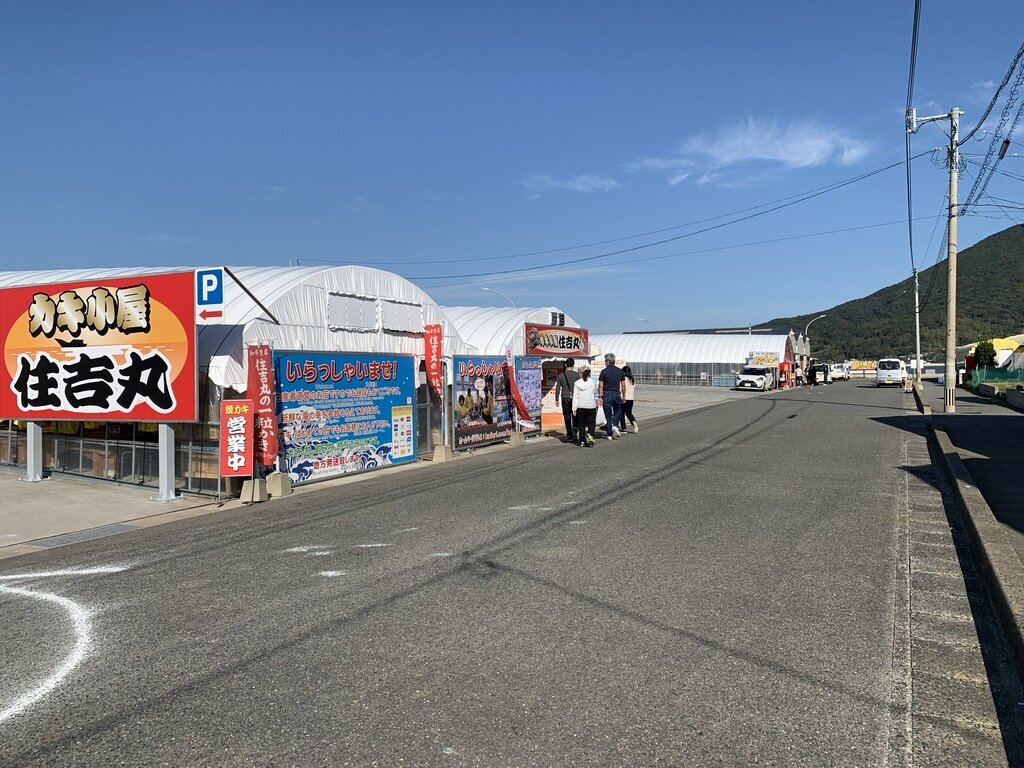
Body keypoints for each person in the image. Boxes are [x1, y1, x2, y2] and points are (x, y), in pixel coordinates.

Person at [598, 353, 624, 440]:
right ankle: (615, 425)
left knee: (607, 415)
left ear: (608, 361)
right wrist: (624, 396)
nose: (605, 362)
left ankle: (609, 434)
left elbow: (600, 386)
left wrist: (600, 396)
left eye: (605, 361)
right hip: (616, 393)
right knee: (618, 411)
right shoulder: (620, 371)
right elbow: (623, 385)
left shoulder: (604, 372)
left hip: (606, 394)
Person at [554, 358, 580, 444]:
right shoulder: (577, 375)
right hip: (575, 398)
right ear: (573, 365)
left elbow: (558, 388)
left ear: (565, 365)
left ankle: (569, 434)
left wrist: (556, 399)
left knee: (567, 416)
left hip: (564, 397)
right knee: (575, 415)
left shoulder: (560, 375)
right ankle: (575, 432)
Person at [571, 365, 597, 447]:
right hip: (591, 405)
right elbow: (595, 392)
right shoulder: (593, 382)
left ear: (581, 373)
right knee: (591, 423)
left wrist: (574, 408)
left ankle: (582, 440)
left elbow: (575, 397)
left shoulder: (577, 383)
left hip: (580, 406)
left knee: (581, 424)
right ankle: (590, 435)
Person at [618, 365, 639, 433]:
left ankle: (623, 428)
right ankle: (634, 422)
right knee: (629, 413)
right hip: (631, 399)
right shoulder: (632, 380)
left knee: (621, 413)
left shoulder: (623, 379)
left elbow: (620, 389)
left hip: (624, 398)